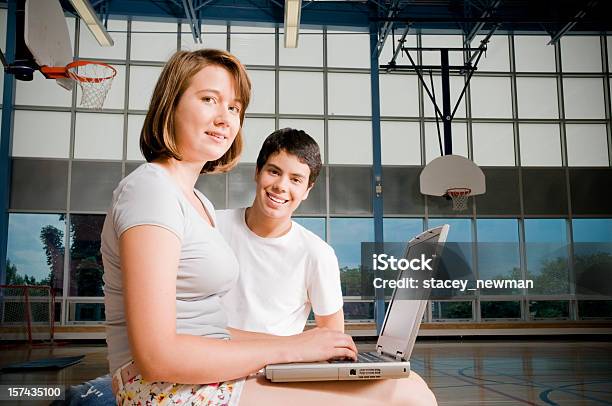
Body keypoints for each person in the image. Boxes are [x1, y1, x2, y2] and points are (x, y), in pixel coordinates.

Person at [100, 48, 357, 405]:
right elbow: (157, 356)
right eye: (209, 99)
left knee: (400, 386)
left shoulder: (198, 202)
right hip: (161, 389)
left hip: (205, 370)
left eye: (234, 108)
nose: (225, 118)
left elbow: (212, 330)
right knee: (402, 395)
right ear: (170, 104)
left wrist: (297, 346)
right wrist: (292, 349)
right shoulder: (150, 191)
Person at [218, 128, 344, 336]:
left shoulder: (317, 254)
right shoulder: (211, 225)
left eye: (296, 179)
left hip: (274, 366)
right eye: (274, 172)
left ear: (307, 190)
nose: (281, 186)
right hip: (207, 360)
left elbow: (332, 333)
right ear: (257, 172)